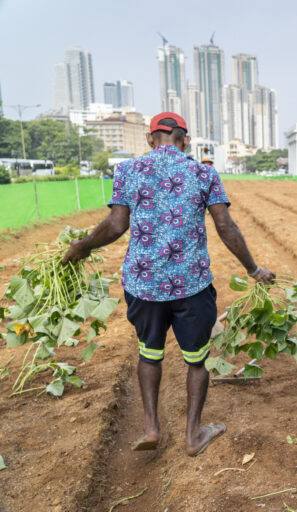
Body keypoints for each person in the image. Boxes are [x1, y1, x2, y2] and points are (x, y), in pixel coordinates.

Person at [63, 112, 275, 457]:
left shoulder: (128, 171)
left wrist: (81, 246)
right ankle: (193, 436)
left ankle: (150, 427)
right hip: (191, 286)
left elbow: (116, 225)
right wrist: (253, 269)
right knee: (196, 361)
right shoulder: (203, 172)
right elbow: (226, 227)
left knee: (149, 354)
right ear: (186, 140)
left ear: (150, 139)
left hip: (143, 284)